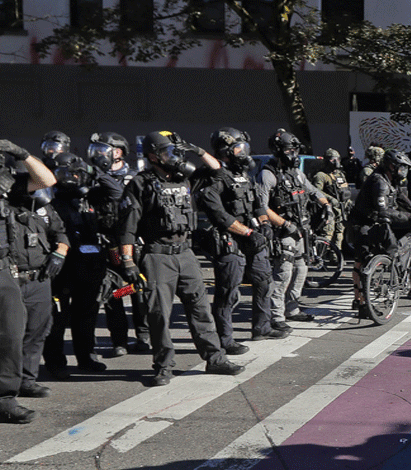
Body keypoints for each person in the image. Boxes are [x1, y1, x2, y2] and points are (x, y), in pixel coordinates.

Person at [116, 130, 244, 386]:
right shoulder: (141, 183)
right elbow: (127, 228)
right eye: (167, 152)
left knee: (200, 309)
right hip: (157, 256)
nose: (173, 157)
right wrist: (128, 262)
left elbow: (218, 171)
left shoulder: (185, 179)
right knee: (159, 315)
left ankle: (215, 359)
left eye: (175, 151)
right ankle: (163, 366)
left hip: (186, 254)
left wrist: (196, 150)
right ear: (153, 156)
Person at [0, 124, 55, 423]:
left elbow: (46, 180)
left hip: (3, 272)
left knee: (8, 340)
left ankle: (4, 399)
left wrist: (23, 155)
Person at [194, 127, 288, 353]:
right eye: (239, 148)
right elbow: (219, 214)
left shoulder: (244, 175)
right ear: (225, 151)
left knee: (264, 280)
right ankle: (225, 340)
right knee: (228, 292)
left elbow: (258, 204)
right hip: (230, 240)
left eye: (244, 148)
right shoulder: (213, 178)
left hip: (252, 238)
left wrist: (264, 224)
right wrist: (247, 232)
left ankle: (262, 328)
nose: (244, 153)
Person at [42, 152, 109, 376]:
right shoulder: (48, 199)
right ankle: (55, 362)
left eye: (76, 174)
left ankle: (87, 357)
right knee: (57, 318)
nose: (72, 178)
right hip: (61, 267)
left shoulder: (90, 197)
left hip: (88, 265)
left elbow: (117, 192)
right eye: (66, 174)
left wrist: (95, 170)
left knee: (87, 315)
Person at [86, 131, 150, 355]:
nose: (98, 155)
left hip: (134, 244)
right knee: (114, 293)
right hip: (107, 245)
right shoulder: (93, 178)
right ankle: (119, 341)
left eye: (103, 150)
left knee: (139, 290)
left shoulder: (134, 177)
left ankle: (144, 337)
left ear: (118, 152)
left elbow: (123, 198)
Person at [258, 129, 331, 326]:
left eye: (295, 150)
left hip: (301, 230)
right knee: (283, 274)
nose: (294, 155)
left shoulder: (296, 173)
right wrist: (284, 224)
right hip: (283, 231)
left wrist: (326, 205)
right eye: (290, 150)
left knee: (301, 270)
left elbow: (313, 190)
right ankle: (277, 316)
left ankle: (292, 308)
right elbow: (262, 207)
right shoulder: (267, 174)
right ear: (279, 151)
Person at [9, 183, 69, 398]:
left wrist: (60, 253)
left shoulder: (42, 207)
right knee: (2, 335)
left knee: (37, 331)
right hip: (10, 278)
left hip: (39, 278)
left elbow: (60, 233)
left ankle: (27, 380)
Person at [348, 149, 411, 316]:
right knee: (363, 262)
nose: (404, 171)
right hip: (362, 225)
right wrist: (410, 218)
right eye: (402, 167)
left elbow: (401, 197)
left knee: (363, 262)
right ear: (391, 166)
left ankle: (359, 300)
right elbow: (384, 211)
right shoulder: (379, 182)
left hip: (372, 223)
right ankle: (362, 304)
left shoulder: (390, 180)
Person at [312, 148, 352, 250]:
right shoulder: (321, 175)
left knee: (340, 233)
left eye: (337, 159)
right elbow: (316, 191)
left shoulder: (340, 175)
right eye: (332, 159)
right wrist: (331, 200)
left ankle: (336, 256)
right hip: (329, 209)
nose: (335, 162)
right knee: (328, 233)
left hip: (341, 208)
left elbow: (345, 189)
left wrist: (349, 202)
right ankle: (322, 257)